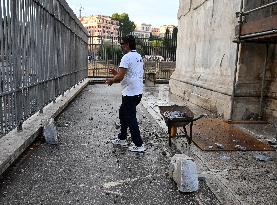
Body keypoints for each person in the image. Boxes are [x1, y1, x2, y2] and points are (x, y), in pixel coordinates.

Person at [106, 35, 145, 152]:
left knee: (130, 118)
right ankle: (122, 138)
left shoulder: (126, 57)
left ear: (127, 44)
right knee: (123, 113)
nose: (121, 46)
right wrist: (116, 74)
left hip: (130, 93)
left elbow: (120, 77)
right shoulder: (138, 56)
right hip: (137, 92)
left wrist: (112, 80)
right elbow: (127, 74)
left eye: (122, 44)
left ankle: (139, 145)